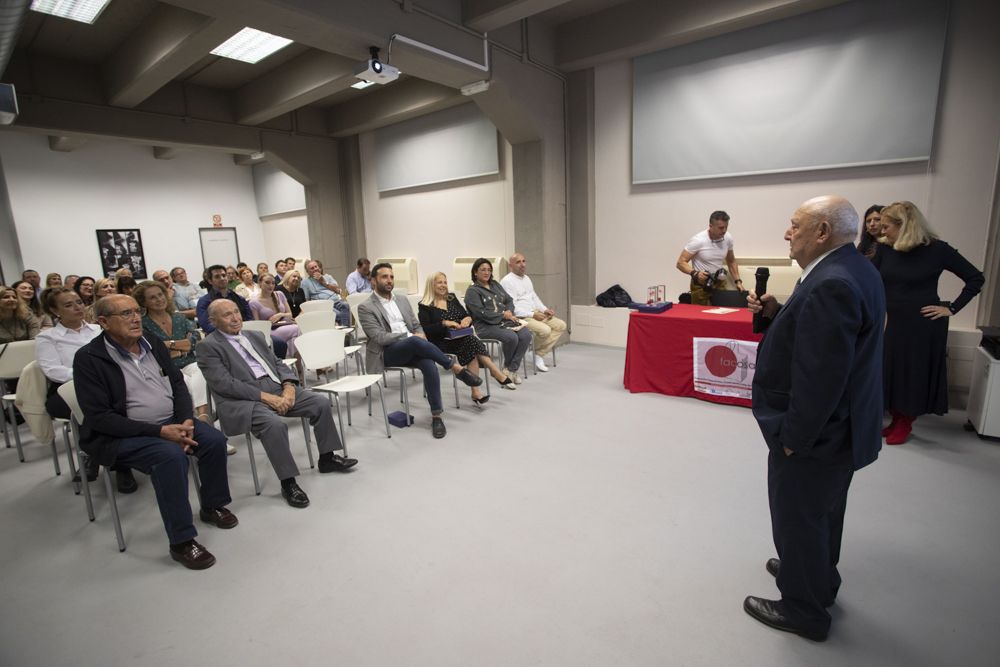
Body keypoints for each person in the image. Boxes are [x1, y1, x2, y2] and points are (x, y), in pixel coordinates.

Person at [744, 195, 886, 642]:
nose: (787, 233)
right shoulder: (854, 268)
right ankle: (817, 580)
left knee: (799, 514)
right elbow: (820, 339)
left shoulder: (831, 283)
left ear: (822, 232)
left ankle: (802, 609)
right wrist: (775, 313)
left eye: (794, 225)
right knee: (823, 511)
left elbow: (820, 377)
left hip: (815, 435)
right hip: (842, 430)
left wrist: (793, 439)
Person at [74, 294, 236, 570]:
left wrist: (185, 420)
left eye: (137, 311)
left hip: (172, 420)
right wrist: (161, 432)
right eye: (125, 314)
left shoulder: (152, 342)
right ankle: (182, 541)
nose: (136, 318)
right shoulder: (89, 359)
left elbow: (177, 383)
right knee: (171, 457)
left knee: (213, 439)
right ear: (103, 322)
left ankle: (212, 506)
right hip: (124, 434)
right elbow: (100, 418)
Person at [196, 300, 357, 508]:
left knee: (319, 403)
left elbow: (278, 363)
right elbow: (225, 384)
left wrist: (289, 386)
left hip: (276, 387)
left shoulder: (254, 336)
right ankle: (288, 482)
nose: (235, 318)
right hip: (242, 400)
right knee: (273, 425)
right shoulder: (208, 346)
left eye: (236, 312)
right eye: (227, 315)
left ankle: (327, 458)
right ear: (213, 320)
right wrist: (265, 397)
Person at [873, 201, 984, 445]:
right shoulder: (885, 250)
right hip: (889, 321)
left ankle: (905, 421)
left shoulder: (938, 250)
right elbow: (870, 279)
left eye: (886, 226)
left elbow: (976, 278)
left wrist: (951, 308)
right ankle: (895, 418)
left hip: (921, 323)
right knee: (890, 371)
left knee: (912, 373)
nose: (882, 231)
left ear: (904, 226)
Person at [359, 263, 483, 438]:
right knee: (415, 342)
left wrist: (420, 335)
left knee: (428, 363)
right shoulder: (366, 307)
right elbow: (379, 337)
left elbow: (416, 325)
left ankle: (436, 416)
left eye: (392, 277)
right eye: (384, 277)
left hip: (412, 346)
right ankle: (456, 368)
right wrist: (411, 336)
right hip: (386, 353)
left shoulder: (401, 300)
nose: (389, 280)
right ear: (373, 281)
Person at [35, 287, 131, 488]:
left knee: (115, 404)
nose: (77, 307)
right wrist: (89, 375)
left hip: (107, 386)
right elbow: (52, 370)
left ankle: (108, 458)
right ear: (54, 310)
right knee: (95, 406)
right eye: (68, 305)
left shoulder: (99, 329)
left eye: (79, 302)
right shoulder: (47, 337)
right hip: (67, 390)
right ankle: (115, 462)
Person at [418, 272, 516, 404]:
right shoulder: (424, 305)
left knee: (470, 346)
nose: (443, 285)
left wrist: (467, 319)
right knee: (470, 343)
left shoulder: (451, 298)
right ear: (431, 284)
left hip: (460, 337)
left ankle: (476, 392)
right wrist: (444, 323)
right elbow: (427, 330)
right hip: (440, 342)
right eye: (439, 282)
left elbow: (466, 315)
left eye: (445, 282)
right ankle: (494, 371)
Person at [134, 281, 215, 430]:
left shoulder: (179, 318)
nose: (159, 299)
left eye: (160, 295)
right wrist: (179, 345)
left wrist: (169, 345)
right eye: (152, 298)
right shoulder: (143, 324)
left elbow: (194, 339)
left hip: (190, 361)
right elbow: (154, 349)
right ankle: (202, 427)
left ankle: (203, 419)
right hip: (165, 368)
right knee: (185, 383)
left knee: (200, 370)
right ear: (143, 302)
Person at [464, 258, 531, 384]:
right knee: (512, 337)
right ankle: (508, 370)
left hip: (503, 321)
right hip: (484, 326)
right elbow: (481, 313)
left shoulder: (495, 284)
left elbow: (509, 300)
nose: (486, 272)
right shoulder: (472, 291)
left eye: (489, 270)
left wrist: (509, 311)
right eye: (483, 270)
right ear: (475, 272)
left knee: (526, 335)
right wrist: (503, 315)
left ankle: (510, 370)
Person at [500, 253, 567, 372]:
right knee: (545, 330)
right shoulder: (507, 281)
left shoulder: (526, 278)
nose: (522, 264)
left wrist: (545, 309)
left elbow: (534, 297)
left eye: (524, 261)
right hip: (521, 317)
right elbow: (512, 307)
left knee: (560, 325)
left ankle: (537, 353)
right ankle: (532, 351)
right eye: (518, 262)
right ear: (511, 265)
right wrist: (532, 315)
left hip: (534, 312)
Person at [675, 210, 744, 305]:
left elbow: (731, 261)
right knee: (699, 316)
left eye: (726, 227)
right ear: (711, 226)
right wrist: (695, 273)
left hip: (719, 281)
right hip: (701, 284)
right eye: (721, 228)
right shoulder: (698, 240)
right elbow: (680, 262)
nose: (724, 230)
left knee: (722, 313)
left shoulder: (728, 238)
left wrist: (738, 281)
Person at [250, 273, 301, 357]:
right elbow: (258, 326)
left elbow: (290, 315)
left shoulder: (279, 294)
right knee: (298, 329)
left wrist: (280, 315)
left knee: (294, 341)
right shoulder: (254, 302)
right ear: (260, 283)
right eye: (267, 282)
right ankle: (314, 363)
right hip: (270, 331)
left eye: (273, 283)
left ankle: (298, 369)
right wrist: (268, 322)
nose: (271, 285)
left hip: (286, 326)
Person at [301, 259, 351, 326]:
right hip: (323, 305)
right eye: (312, 268)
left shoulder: (327, 276)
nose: (315, 269)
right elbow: (306, 299)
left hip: (336, 301)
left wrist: (324, 282)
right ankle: (345, 331)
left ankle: (344, 330)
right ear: (308, 272)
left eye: (316, 267)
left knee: (346, 305)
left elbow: (337, 289)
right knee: (338, 314)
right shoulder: (305, 282)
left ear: (319, 267)